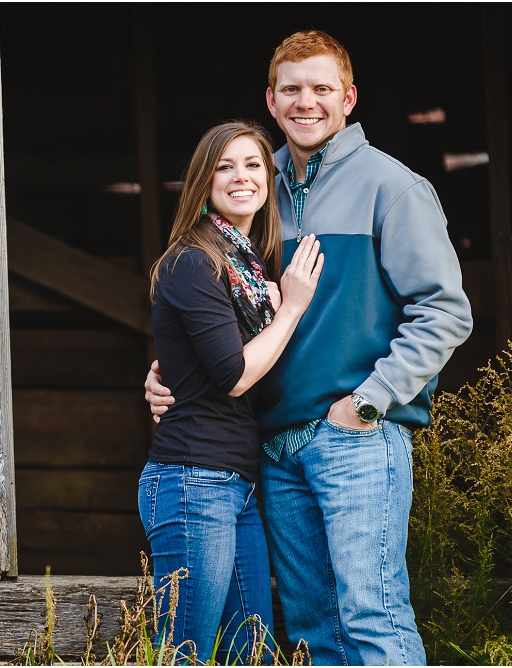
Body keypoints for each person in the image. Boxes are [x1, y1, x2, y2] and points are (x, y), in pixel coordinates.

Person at [145, 31, 473, 666]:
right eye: (291, 89)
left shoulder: (392, 187)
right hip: (271, 442)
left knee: (371, 611)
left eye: (322, 89)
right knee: (312, 626)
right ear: (270, 100)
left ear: (348, 97)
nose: (306, 102)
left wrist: (369, 403)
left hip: (353, 435)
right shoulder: (252, 184)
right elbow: (213, 303)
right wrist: (171, 374)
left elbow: (444, 311)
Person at [141, 121, 323, 663]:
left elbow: (199, 361)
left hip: (233, 483)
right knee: (185, 652)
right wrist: (290, 307)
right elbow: (235, 375)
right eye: (224, 166)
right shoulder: (194, 261)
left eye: (252, 164)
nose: (241, 176)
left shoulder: (244, 266)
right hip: (193, 479)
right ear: (203, 182)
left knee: (255, 653)